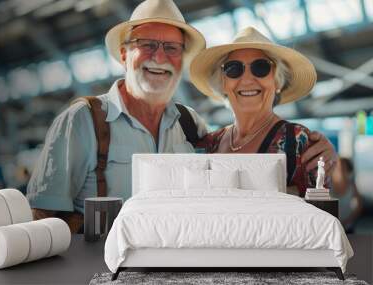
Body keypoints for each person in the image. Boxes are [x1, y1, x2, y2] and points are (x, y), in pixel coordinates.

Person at [27, 0, 336, 232]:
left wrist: (332, 165)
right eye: (147, 45)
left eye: (171, 48)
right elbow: (43, 218)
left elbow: (329, 211)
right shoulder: (84, 120)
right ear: (124, 54)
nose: (159, 57)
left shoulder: (190, 126)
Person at [190, 26, 334, 196]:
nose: (248, 79)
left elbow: (325, 212)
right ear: (223, 83)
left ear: (277, 81)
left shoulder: (299, 142)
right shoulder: (206, 145)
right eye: (233, 68)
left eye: (261, 67)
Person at [332, 157, 363, 233]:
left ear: (348, 170)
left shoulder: (352, 185)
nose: (340, 170)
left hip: (347, 226)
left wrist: (349, 220)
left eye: (343, 168)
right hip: (332, 226)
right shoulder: (328, 184)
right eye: (338, 167)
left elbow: (360, 205)